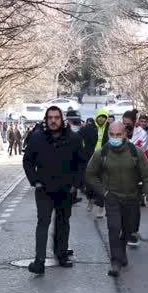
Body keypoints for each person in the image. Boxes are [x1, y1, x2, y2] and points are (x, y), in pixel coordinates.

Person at [86, 122, 148, 277]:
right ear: (108, 134)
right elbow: (90, 174)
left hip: (132, 197)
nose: (115, 138)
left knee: (128, 228)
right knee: (113, 227)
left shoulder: (135, 152)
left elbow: (147, 175)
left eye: (119, 134)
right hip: (112, 197)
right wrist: (103, 192)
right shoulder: (102, 153)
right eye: (112, 134)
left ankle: (122, 250)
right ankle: (115, 261)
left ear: (125, 134)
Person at [23, 106, 85, 275]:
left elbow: (81, 163)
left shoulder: (73, 138)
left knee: (63, 222)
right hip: (44, 189)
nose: (53, 120)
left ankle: (62, 254)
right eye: (50, 117)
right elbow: (27, 161)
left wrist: (76, 184)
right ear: (46, 119)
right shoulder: (37, 138)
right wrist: (34, 181)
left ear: (61, 119)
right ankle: (39, 261)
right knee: (43, 223)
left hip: (66, 189)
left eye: (56, 117)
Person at [121, 110, 148, 247]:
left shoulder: (142, 134)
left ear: (135, 122)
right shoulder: (118, 131)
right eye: (124, 123)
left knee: (134, 206)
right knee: (121, 205)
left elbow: (141, 154)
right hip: (120, 174)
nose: (125, 126)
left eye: (128, 124)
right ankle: (124, 230)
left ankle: (133, 232)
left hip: (136, 175)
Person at [79, 108, 110, 217]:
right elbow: (78, 138)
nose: (101, 119)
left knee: (102, 183)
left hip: (104, 159)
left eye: (104, 117)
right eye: (100, 116)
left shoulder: (109, 129)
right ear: (96, 117)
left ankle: (101, 207)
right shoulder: (88, 128)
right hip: (90, 159)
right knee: (90, 182)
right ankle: (90, 200)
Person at [66, 110, 84, 204]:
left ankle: (73, 197)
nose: (77, 124)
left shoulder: (80, 134)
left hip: (76, 167)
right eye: (74, 122)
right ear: (68, 121)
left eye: (78, 122)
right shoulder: (62, 135)